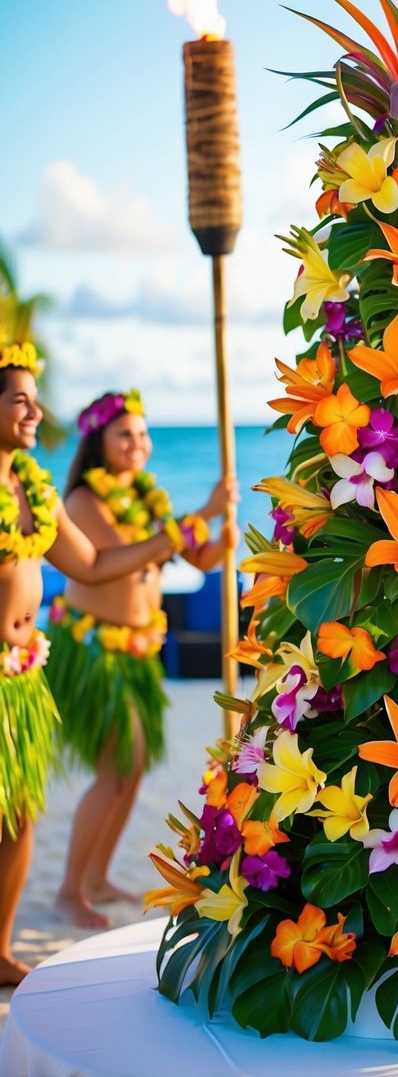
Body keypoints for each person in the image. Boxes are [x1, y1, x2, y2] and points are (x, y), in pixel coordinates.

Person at [0, 349, 196, 985]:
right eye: (20, 399)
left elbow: (87, 564)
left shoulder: (31, 485)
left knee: (21, 813)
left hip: (23, 670)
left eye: (36, 398)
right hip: (31, 661)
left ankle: (0, 949)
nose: (37, 410)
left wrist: (182, 534)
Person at [45, 390, 238, 930]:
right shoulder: (86, 500)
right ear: (98, 443)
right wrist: (199, 513)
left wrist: (223, 529)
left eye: (143, 433)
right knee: (115, 771)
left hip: (136, 653)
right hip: (93, 653)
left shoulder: (147, 499)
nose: (138, 444)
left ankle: (97, 878)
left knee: (128, 776)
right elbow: (119, 561)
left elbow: (195, 556)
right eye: (124, 434)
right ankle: (66, 892)